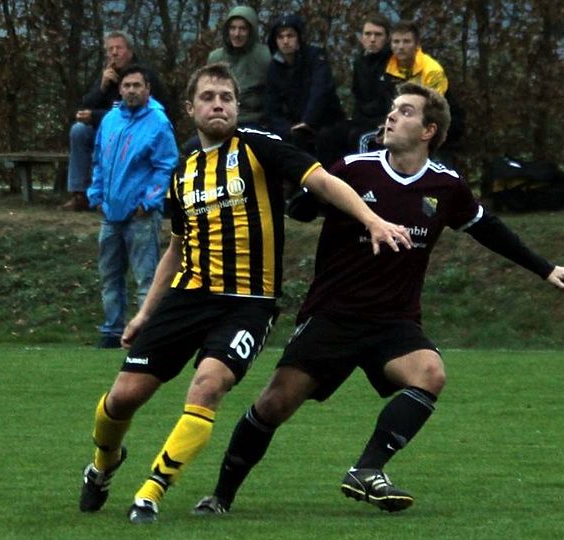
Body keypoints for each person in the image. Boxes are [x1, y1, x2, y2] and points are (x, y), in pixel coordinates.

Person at [193, 82, 564, 516]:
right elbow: (302, 205)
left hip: (394, 321)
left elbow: (489, 230)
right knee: (273, 405)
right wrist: (297, 188)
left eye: (405, 111)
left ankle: (366, 470)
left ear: (429, 130)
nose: (391, 116)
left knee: (430, 373)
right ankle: (220, 496)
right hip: (333, 315)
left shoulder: (446, 186)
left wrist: (545, 268)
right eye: (393, 109)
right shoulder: (353, 169)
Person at [77, 63, 412, 525]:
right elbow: (175, 247)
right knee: (122, 398)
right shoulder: (184, 170)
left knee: (209, 384)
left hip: (248, 304)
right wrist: (144, 313)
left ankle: (151, 492)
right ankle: (103, 464)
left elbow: (321, 180)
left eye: (227, 98)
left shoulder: (258, 146)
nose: (218, 104)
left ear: (237, 106)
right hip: (187, 298)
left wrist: (371, 220)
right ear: (190, 108)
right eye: (208, 97)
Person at [86, 67, 178, 349]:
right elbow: (98, 160)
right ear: (120, 89)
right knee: (109, 275)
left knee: (146, 277)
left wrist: (149, 202)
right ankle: (112, 330)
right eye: (126, 85)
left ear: (148, 88)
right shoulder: (110, 119)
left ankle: (145, 332)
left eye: (137, 85)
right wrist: (96, 195)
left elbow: (166, 166)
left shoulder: (159, 122)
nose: (131, 91)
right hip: (110, 212)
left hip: (141, 215)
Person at [62, 31, 168, 212]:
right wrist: (101, 87)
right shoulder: (107, 75)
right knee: (79, 130)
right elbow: (85, 106)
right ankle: (80, 194)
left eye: (119, 48)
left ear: (130, 51)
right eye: (110, 49)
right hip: (105, 131)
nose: (114, 53)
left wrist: (95, 116)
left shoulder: (141, 76)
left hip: (135, 132)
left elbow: (135, 113)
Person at [263, 13, 344, 155]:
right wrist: (286, 128)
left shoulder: (315, 57)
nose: (285, 41)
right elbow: (272, 106)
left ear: (299, 37)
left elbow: (320, 91)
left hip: (325, 121)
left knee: (324, 138)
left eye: (290, 36)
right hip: (294, 124)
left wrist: (307, 121)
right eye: (280, 37)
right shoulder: (274, 67)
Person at [322, 14, 394, 165]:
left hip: (383, 120)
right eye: (368, 34)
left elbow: (389, 100)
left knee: (358, 137)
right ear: (361, 38)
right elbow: (358, 95)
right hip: (362, 118)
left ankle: (362, 177)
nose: (372, 39)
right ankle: (329, 177)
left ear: (387, 38)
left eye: (378, 35)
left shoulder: (393, 63)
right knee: (328, 134)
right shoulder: (359, 62)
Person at [207, 6, 270, 127]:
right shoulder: (215, 58)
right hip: (222, 119)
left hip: (255, 121)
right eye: (233, 28)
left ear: (251, 31)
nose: (237, 34)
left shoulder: (264, 57)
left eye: (242, 29)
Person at [385, 20, 447, 95]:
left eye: (406, 41)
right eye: (396, 42)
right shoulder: (384, 65)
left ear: (417, 44)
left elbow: (435, 101)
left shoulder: (432, 71)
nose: (401, 47)